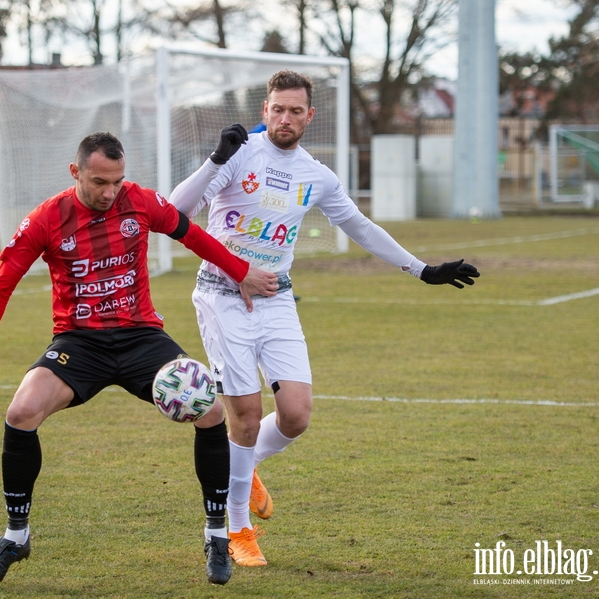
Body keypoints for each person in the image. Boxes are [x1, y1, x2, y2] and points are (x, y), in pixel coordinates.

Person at [169, 70, 480, 568]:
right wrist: (215, 159)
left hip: (277, 299)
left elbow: (360, 226)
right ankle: (237, 531)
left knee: (296, 415)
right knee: (245, 415)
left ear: (310, 116)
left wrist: (422, 270)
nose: (285, 118)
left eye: (296, 110)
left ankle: (239, 468)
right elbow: (172, 212)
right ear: (265, 109)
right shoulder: (237, 154)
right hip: (220, 296)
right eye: (277, 108)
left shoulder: (317, 175)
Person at [0, 132, 278, 586]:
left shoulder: (139, 202)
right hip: (79, 342)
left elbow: (193, 235)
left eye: (117, 182)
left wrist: (240, 272)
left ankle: (217, 533)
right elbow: (1, 286)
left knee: (210, 411)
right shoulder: (47, 219)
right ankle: (16, 535)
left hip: (141, 337)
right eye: (99, 182)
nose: (109, 193)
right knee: (21, 412)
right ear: (75, 172)